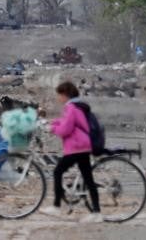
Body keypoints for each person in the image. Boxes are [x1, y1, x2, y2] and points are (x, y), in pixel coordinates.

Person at [44, 80, 100, 221]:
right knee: (88, 179)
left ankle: (56, 206)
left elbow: (65, 130)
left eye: (59, 95)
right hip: (83, 146)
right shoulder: (77, 106)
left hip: (76, 147)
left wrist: (51, 129)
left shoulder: (71, 108)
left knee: (57, 171)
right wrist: (53, 123)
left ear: (66, 94)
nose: (58, 98)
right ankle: (97, 213)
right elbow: (67, 123)